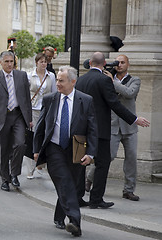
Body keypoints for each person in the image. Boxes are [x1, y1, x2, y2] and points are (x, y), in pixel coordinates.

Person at [75, 52, 150, 209]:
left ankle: (78, 196)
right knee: (102, 163)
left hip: (82, 128)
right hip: (101, 130)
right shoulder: (104, 80)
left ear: (90, 63)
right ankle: (96, 199)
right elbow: (114, 104)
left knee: (81, 163)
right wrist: (135, 119)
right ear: (104, 64)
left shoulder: (80, 80)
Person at [33, 66, 98, 237]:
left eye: (61, 81)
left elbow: (92, 129)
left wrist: (90, 153)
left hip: (76, 149)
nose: (58, 84)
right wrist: (36, 150)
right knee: (64, 181)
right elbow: (40, 127)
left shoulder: (86, 100)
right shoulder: (50, 99)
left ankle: (59, 216)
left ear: (73, 82)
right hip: (54, 148)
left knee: (71, 185)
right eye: (57, 81)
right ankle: (75, 221)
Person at [88, 55, 142, 201]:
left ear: (128, 65)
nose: (119, 65)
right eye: (117, 63)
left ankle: (129, 190)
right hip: (112, 125)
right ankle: (89, 180)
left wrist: (112, 82)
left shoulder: (134, 80)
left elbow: (130, 93)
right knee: (107, 157)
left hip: (129, 127)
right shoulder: (106, 78)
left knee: (131, 158)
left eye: (123, 62)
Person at [0, 51, 32, 192]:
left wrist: (29, 119)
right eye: (6, 61)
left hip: (18, 116)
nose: (9, 64)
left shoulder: (21, 76)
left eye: (11, 61)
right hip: (1, 118)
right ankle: (5, 179)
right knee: (2, 150)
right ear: (1, 62)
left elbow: (26, 98)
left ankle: (14, 174)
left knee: (20, 144)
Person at [25, 53, 57, 179]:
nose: (44, 64)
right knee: (32, 137)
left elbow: (54, 92)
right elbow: (26, 94)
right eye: (41, 61)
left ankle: (40, 165)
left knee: (43, 137)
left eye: (45, 62)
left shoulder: (51, 76)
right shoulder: (29, 75)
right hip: (33, 109)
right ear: (36, 62)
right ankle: (29, 169)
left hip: (46, 110)